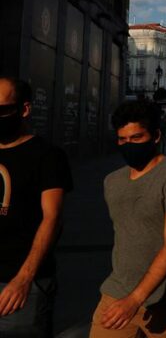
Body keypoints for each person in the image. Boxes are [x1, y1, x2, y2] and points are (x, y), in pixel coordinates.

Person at [90, 100, 166, 337]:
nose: (128, 145)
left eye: (137, 138)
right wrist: (127, 298)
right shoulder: (112, 181)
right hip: (117, 292)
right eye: (122, 140)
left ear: (156, 136)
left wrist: (135, 299)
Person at [0, 77, 73, 337]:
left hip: (21, 285)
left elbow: (52, 219)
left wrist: (23, 279)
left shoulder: (47, 156)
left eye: (2, 110)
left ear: (24, 109)